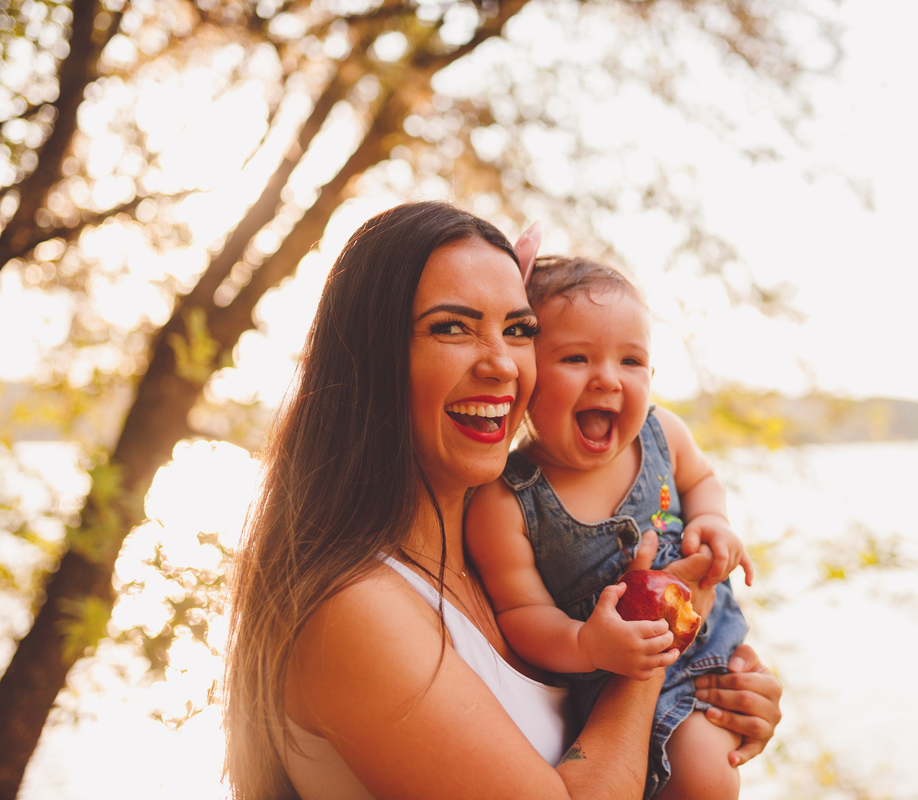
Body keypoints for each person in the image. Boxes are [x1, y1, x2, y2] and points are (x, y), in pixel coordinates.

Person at [222, 201, 782, 800]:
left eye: (518, 331)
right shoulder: (354, 609)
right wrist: (664, 632)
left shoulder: (504, 555)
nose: (501, 364)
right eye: (452, 327)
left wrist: (714, 698)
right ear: (371, 360)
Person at [466, 256, 753, 799]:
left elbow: (703, 480)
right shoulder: (507, 499)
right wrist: (586, 644)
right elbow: (522, 613)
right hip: (609, 682)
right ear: (527, 375)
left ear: (652, 375)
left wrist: (714, 522)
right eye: (576, 357)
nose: (607, 378)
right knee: (703, 781)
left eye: (631, 361)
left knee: (714, 771)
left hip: (710, 645)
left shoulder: (661, 432)